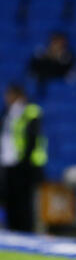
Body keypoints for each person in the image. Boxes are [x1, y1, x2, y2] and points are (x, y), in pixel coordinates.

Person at [0, 84, 47, 232]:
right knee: (11, 199)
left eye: (10, 95)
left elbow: (31, 138)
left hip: (28, 164)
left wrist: (24, 159)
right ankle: (13, 228)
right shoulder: (7, 113)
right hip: (10, 162)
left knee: (25, 201)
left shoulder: (31, 111)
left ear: (19, 95)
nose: (6, 98)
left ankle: (27, 229)